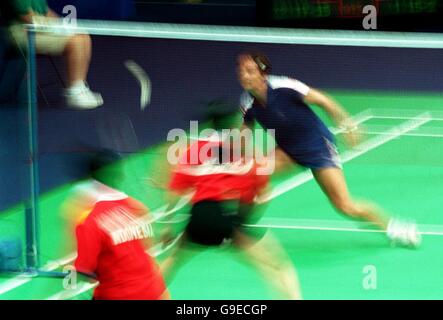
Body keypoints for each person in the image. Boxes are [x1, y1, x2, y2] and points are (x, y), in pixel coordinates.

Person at [236, 51, 421, 247]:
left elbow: (324, 100)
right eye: (241, 70)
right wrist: (243, 155)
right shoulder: (247, 101)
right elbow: (245, 131)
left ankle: (395, 228)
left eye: (249, 71)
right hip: (288, 152)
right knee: (253, 174)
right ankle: (236, 227)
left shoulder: (284, 86)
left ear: (262, 74)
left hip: (318, 148)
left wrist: (348, 124)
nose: (243, 75)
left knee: (345, 206)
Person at [160, 107, 302, 300]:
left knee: (172, 262)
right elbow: (263, 195)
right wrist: (243, 221)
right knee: (276, 266)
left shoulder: (193, 151)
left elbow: (173, 193)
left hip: (198, 218)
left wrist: (167, 228)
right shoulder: (242, 150)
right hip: (225, 219)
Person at [70, 150, 169, 300]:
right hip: (154, 291)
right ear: (121, 175)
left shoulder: (89, 221)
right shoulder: (138, 208)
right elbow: (143, 253)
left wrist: (71, 272)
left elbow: (84, 272)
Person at [0, 0, 103, 109]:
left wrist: (63, 25)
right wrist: (57, 28)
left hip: (37, 28)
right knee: (75, 41)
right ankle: (74, 93)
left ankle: (80, 87)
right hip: (21, 33)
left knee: (83, 35)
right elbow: (29, 18)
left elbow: (46, 11)